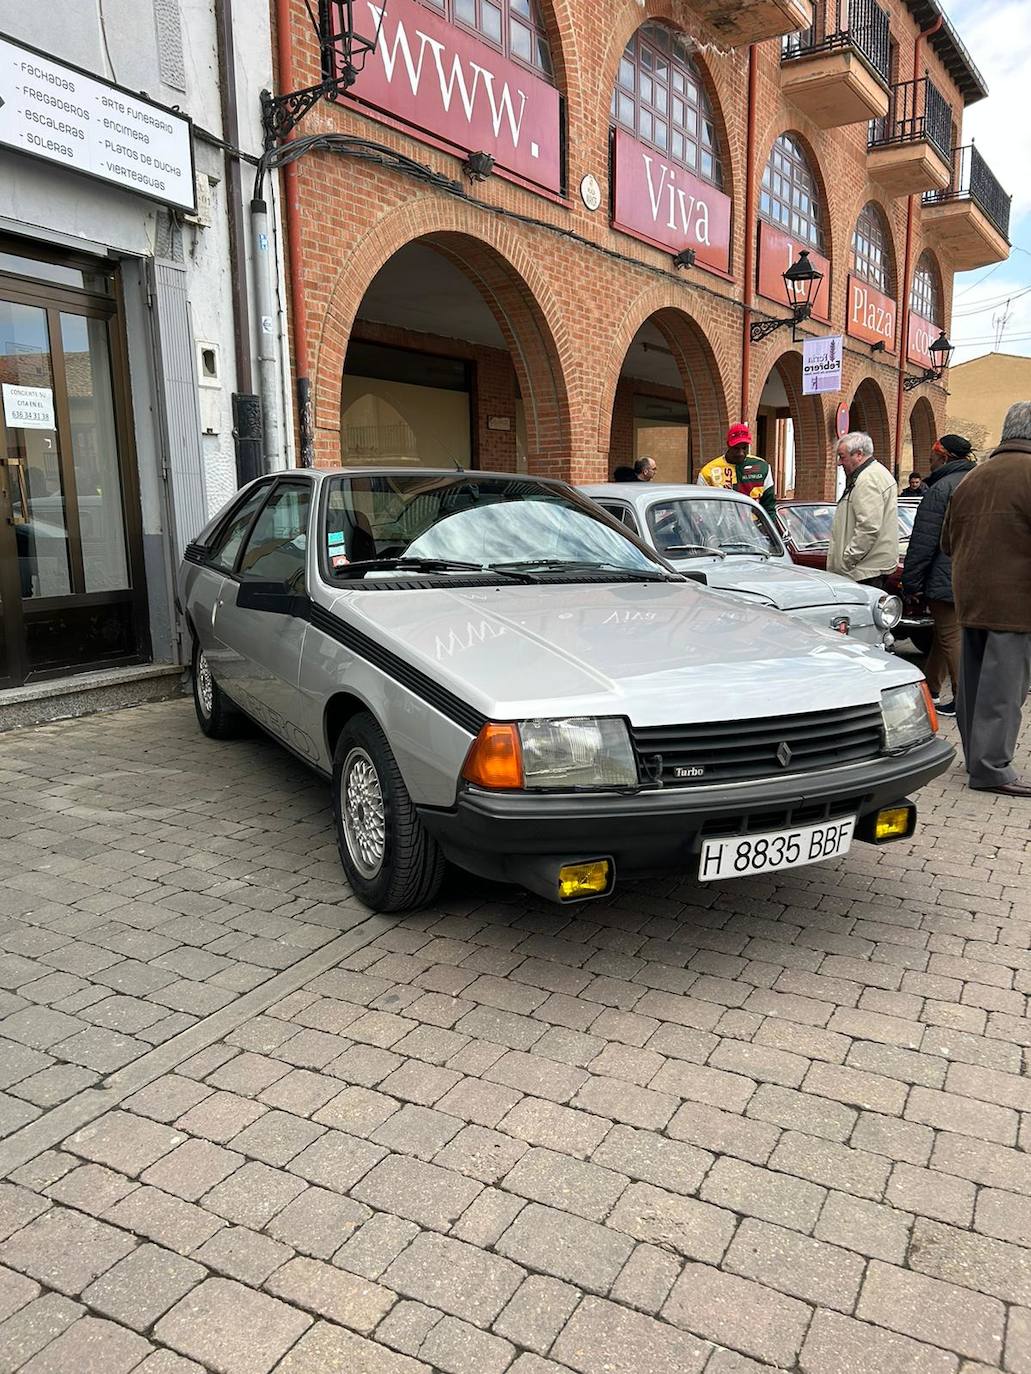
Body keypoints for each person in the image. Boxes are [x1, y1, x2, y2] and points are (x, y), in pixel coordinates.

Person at [941, 401, 1031, 796]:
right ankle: (992, 768)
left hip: (970, 594)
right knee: (1004, 688)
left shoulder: (971, 479)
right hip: (1016, 601)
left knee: (974, 684)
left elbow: (947, 542)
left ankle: (977, 757)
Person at [901, 434, 976, 716]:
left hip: (946, 574)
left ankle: (964, 700)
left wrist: (911, 582)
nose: (929, 460)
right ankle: (931, 688)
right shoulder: (976, 480)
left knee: (950, 636)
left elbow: (924, 540)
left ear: (943, 457)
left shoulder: (941, 488)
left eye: (932, 455)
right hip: (974, 572)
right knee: (944, 635)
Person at [827, 431, 899, 587]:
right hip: (870, 566)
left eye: (842, 457)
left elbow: (868, 527)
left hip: (864, 571)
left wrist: (847, 560)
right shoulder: (876, 473)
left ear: (859, 454)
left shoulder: (867, 480)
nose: (839, 463)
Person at [697, 423, 777, 518]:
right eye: (736, 448)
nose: (740, 453)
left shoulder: (762, 467)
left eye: (744, 448)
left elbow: (769, 506)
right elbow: (701, 508)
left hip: (754, 526)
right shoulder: (708, 471)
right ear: (728, 445)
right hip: (721, 526)